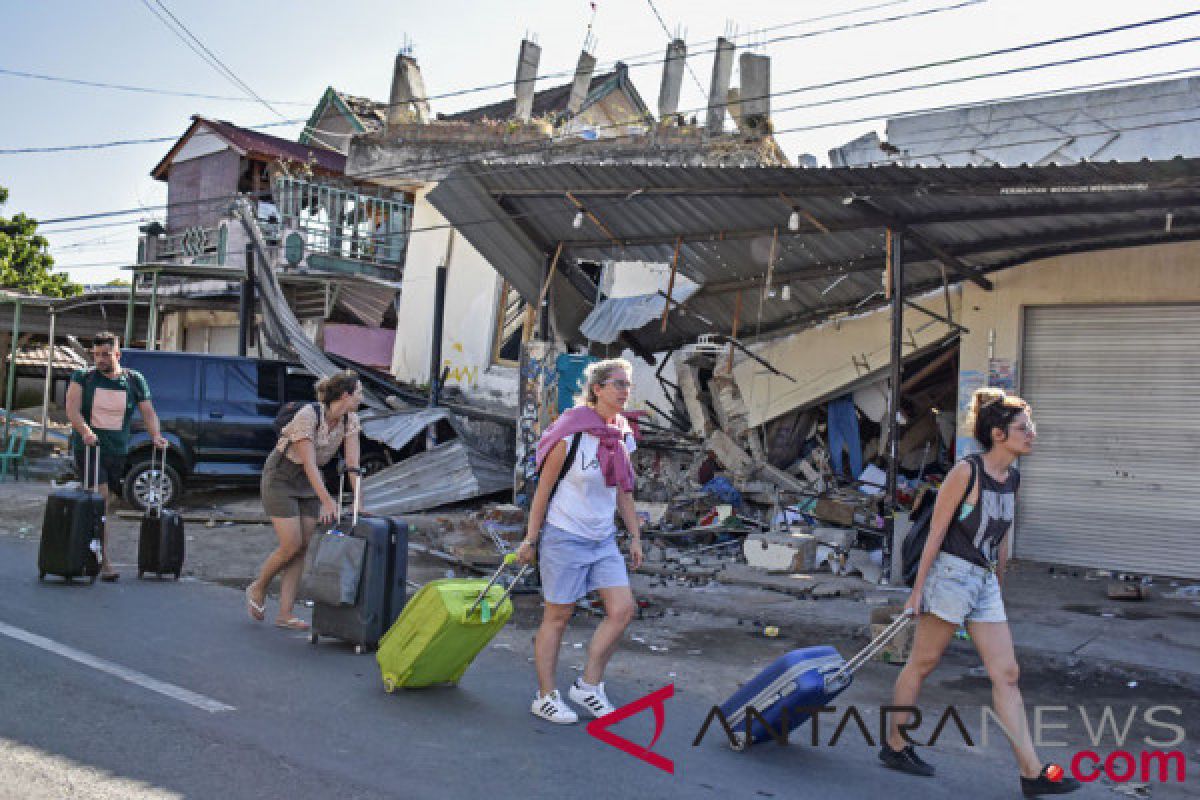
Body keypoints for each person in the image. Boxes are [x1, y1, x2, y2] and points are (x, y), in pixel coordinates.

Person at [880, 388, 1080, 797]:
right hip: (950, 577)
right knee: (922, 663)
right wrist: (916, 593)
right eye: (1023, 428)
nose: (1032, 434)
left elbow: (1001, 537)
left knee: (1007, 675)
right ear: (998, 434)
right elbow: (935, 532)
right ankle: (894, 743)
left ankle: (1032, 772)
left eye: (1031, 426)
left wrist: (998, 583)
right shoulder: (966, 473)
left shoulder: (1013, 478)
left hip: (984, 582)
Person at [517, 358, 644, 724]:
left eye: (628, 384)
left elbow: (624, 491)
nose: (625, 391)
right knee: (558, 616)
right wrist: (531, 538)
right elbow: (543, 490)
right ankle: (545, 696)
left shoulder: (622, 434)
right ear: (598, 389)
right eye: (618, 384)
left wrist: (634, 536)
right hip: (565, 536)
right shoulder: (571, 433)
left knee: (622, 611)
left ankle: (588, 687)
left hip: (602, 539)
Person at [245, 371, 363, 630]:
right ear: (345, 395)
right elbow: (308, 461)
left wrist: (358, 500)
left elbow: (353, 464)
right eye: (359, 393)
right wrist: (328, 501)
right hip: (282, 476)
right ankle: (258, 587)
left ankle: (285, 613)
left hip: (310, 480)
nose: (361, 398)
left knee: (304, 545)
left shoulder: (349, 419)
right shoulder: (309, 416)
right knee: (290, 544)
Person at [65, 332, 168, 582]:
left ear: (117, 354)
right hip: (89, 448)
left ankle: (87, 550)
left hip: (116, 451)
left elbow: (148, 412)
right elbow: (72, 409)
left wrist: (156, 435)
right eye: (96, 354)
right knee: (99, 499)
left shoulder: (134, 380)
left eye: (105, 355)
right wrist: (86, 432)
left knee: (104, 503)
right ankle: (103, 560)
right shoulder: (83, 377)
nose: (100, 359)